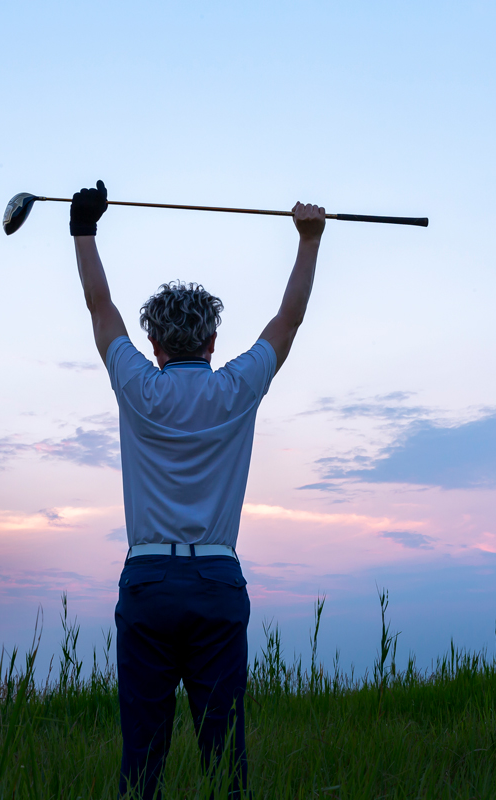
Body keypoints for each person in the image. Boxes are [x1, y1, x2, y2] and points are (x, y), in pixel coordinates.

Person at [69, 180, 324, 798]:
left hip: (149, 582)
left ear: (153, 345)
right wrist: (310, 241)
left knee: (141, 767)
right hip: (215, 584)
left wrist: (83, 231)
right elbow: (287, 321)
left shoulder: (138, 383)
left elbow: (101, 309)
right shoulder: (234, 387)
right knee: (223, 767)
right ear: (212, 342)